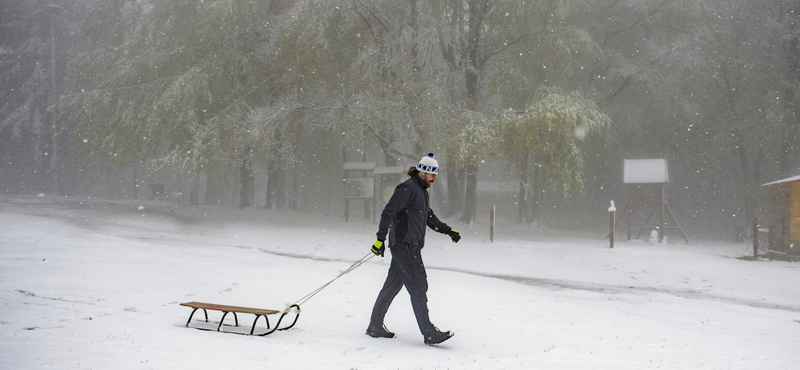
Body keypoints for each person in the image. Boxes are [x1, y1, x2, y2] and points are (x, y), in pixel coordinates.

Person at [366, 153, 461, 346]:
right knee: (418, 286)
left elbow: (428, 216)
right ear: (422, 172)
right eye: (432, 175)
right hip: (405, 246)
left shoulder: (421, 191)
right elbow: (388, 212)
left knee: (392, 285)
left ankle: (375, 326)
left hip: (408, 246)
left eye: (436, 175)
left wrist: (448, 230)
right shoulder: (407, 188)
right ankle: (429, 332)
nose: (434, 179)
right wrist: (380, 239)